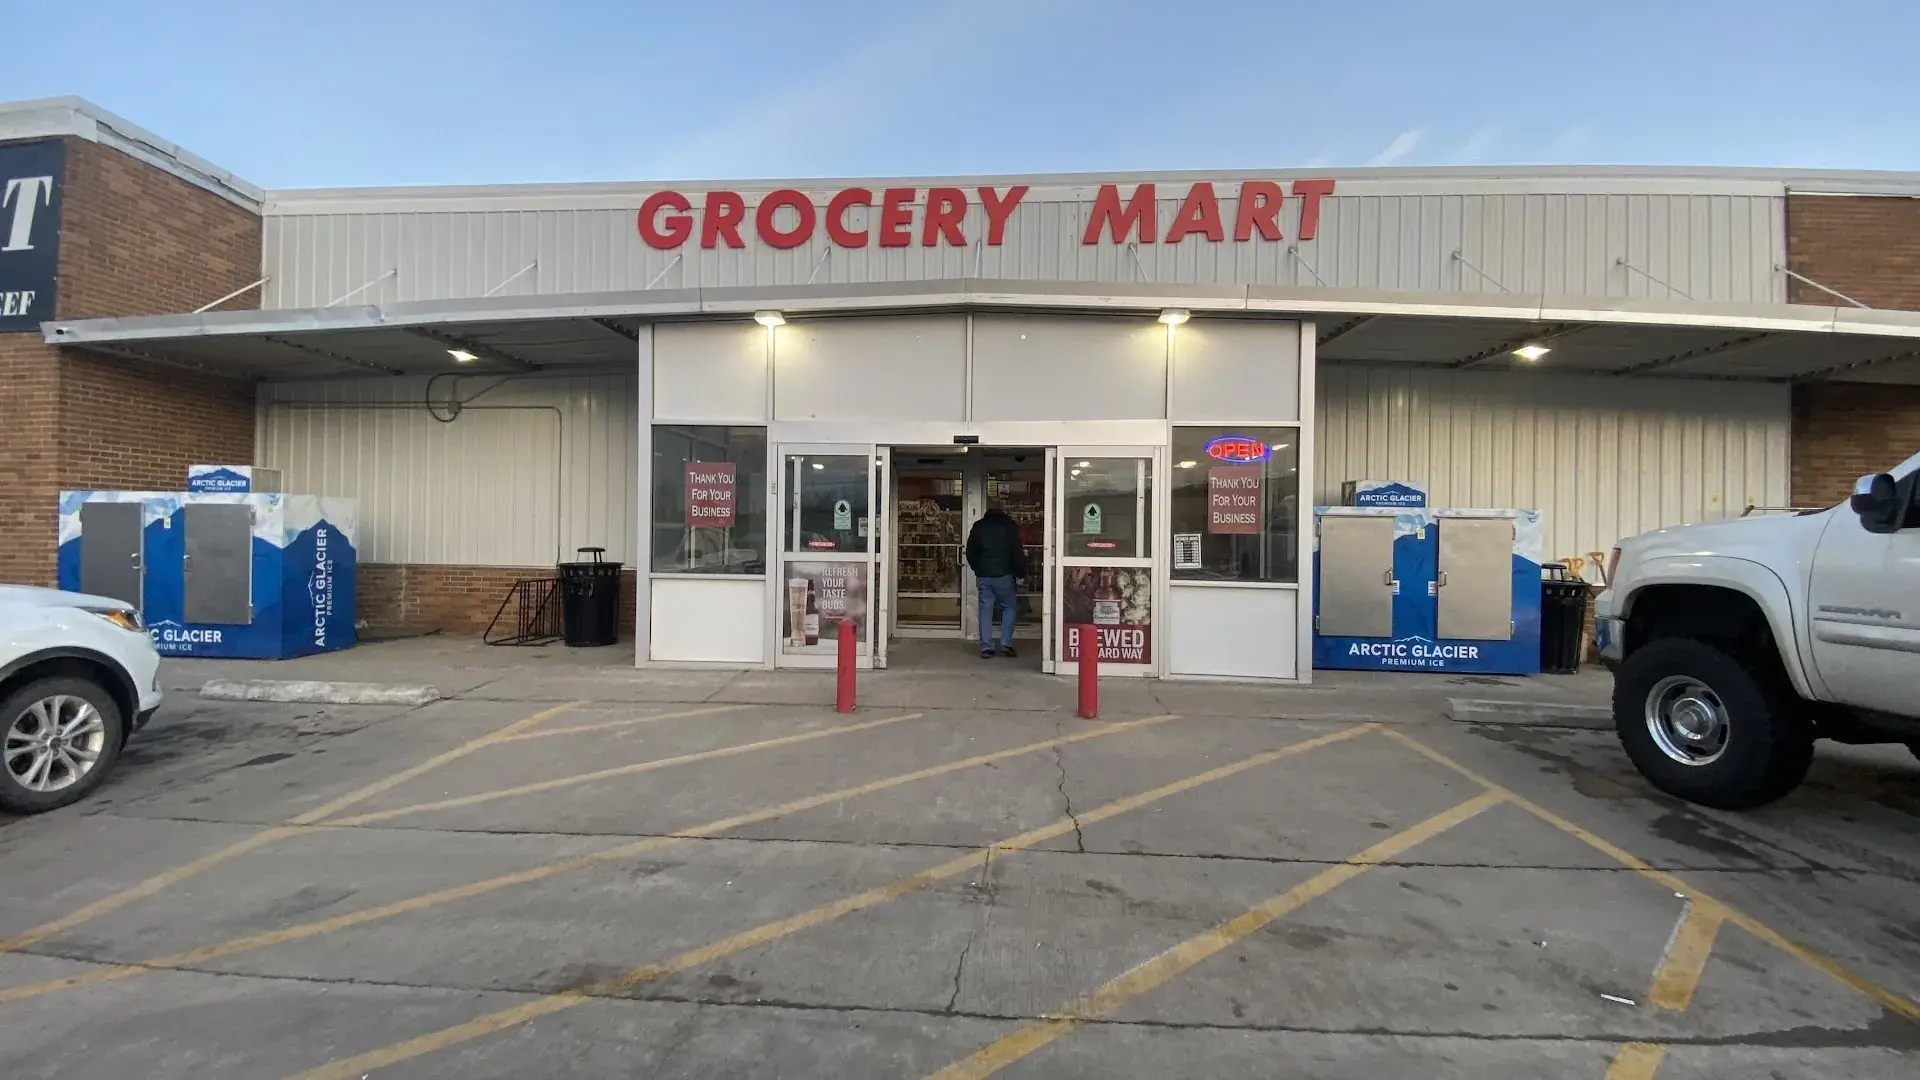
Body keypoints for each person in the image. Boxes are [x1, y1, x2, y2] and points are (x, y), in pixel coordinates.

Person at [965, 498, 1028, 658]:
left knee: (986, 609)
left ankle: (986, 647)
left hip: (984, 575)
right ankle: (1005, 643)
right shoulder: (1009, 526)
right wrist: (1021, 571)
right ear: (1002, 509)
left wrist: (977, 568)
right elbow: (1016, 551)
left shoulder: (979, 526)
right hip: (1005, 575)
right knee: (1009, 607)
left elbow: (970, 551)